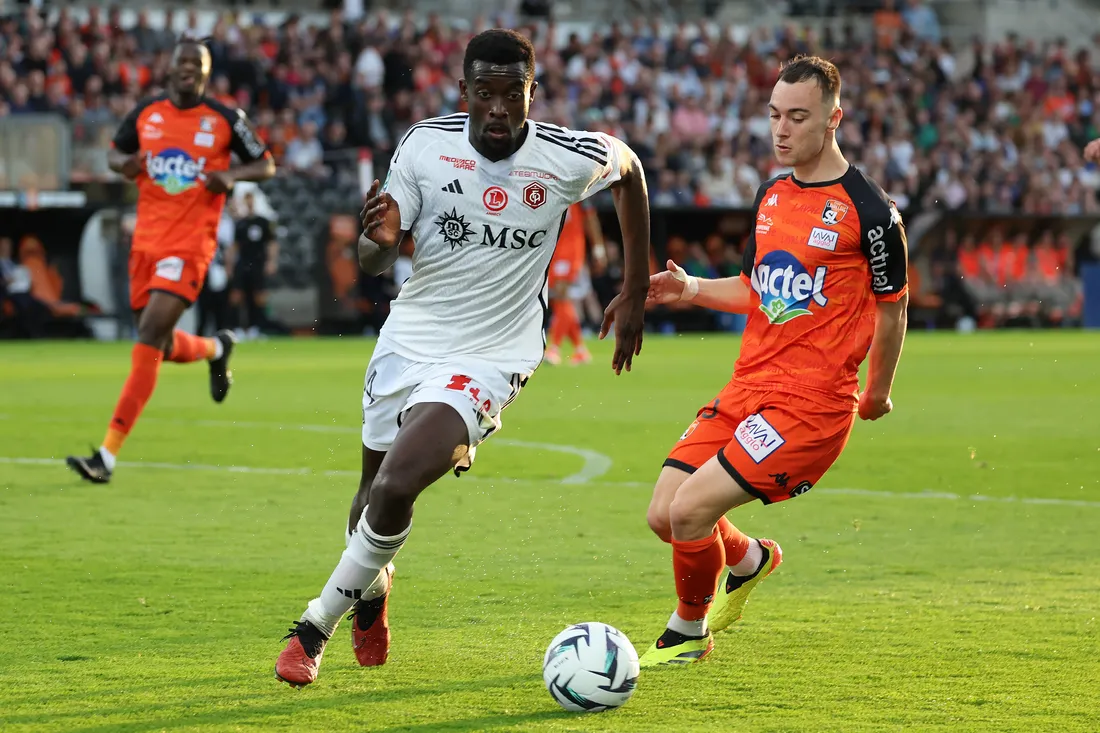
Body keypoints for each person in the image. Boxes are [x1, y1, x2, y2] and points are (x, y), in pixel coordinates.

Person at [274, 28, 650, 688]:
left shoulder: (564, 155)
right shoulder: (425, 145)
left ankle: (313, 625)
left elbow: (631, 172)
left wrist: (635, 286)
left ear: (533, 92)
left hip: (492, 353)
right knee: (368, 500)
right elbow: (375, 254)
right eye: (486, 93)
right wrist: (380, 243)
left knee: (395, 485)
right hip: (410, 338)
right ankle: (374, 591)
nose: (499, 107)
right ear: (465, 93)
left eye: (514, 93)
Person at [639, 55, 909, 666]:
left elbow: (894, 308)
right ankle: (751, 559)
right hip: (747, 390)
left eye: (797, 117)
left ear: (834, 118)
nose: (780, 130)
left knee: (690, 509)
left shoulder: (870, 210)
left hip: (808, 410)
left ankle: (687, 632)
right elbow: (759, 288)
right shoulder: (772, 194)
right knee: (664, 514)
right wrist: (693, 290)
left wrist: (878, 390)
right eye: (774, 116)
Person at [66, 38, 275, 484]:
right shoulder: (146, 113)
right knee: (158, 341)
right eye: (181, 62)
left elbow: (266, 163)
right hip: (145, 242)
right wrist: (125, 163)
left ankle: (106, 455)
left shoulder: (224, 119)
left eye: (196, 64)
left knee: (147, 335)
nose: (188, 70)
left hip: (190, 245)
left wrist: (232, 175)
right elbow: (114, 153)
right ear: (169, 68)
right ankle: (217, 348)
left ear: (206, 72)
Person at [544, 201, 605, 365]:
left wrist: (598, 248)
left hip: (570, 250)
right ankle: (580, 350)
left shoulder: (580, 189)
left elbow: (591, 217)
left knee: (561, 295)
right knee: (559, 300)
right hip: (553, 249)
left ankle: (554, 348)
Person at [230, 191, 279, 338]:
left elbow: (272, 243)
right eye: (247, 200)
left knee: (259, 297)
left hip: (258, 263)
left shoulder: (263, 222)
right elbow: (235, 246)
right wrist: (229, 265)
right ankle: (238, 328)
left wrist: (271, 261)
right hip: (242, 263)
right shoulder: (240, 223)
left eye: (251, 199)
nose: (249, 203)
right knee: (237, 296)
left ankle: (257, 328)